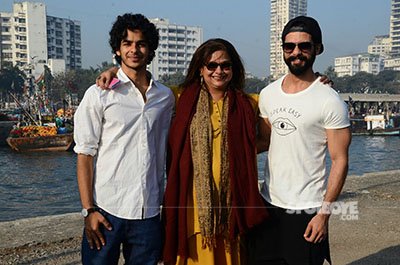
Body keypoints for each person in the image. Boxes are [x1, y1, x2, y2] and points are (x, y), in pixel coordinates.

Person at [73, 13, 174, 265]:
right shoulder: (99, 94)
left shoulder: (165, 97)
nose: (134, 50)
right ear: (117, 49)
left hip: (148, 211)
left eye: (140, 43)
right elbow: (85, 154)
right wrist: (89, 210)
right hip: (107, 209)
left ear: (150, 49)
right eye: (127, 43)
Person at [251, 16, 352, 265]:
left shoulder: (329, 100)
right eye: (290, 46)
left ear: (317, 48)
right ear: (283, 49)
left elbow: (340, 160)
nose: (296, 52)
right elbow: (264, 142)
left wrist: (324, 215)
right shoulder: (268, 94)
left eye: (304, 46)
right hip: (268, 204)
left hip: (307, 209)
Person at [161, 38, 269, 265]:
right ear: (201, 69)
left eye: (225, 65)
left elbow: (266, 140)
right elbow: (143, 87)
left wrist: (315, 82)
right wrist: (113, 72)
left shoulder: (249, 103)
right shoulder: (179, 98)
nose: (218, 71)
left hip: (232, 203)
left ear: (234, 69)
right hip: (193, 206)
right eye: (212, 65)